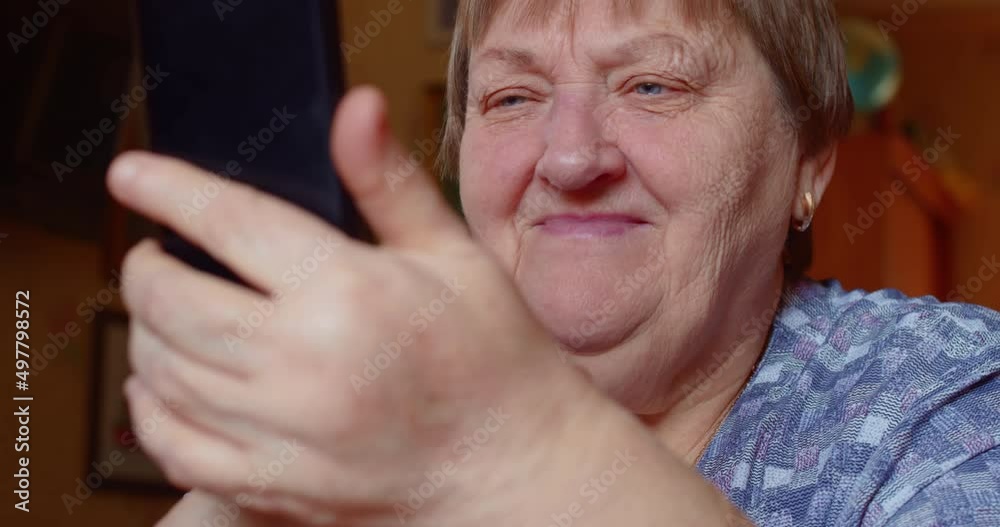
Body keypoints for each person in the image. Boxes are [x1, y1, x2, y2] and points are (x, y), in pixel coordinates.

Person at [107, 0, 1000, 525]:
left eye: (653, 84)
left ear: (809, 163)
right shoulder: (374, 411)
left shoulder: (953, 399)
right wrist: (247, 488)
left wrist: (514, 452)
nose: (570, 158)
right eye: (512, 96)